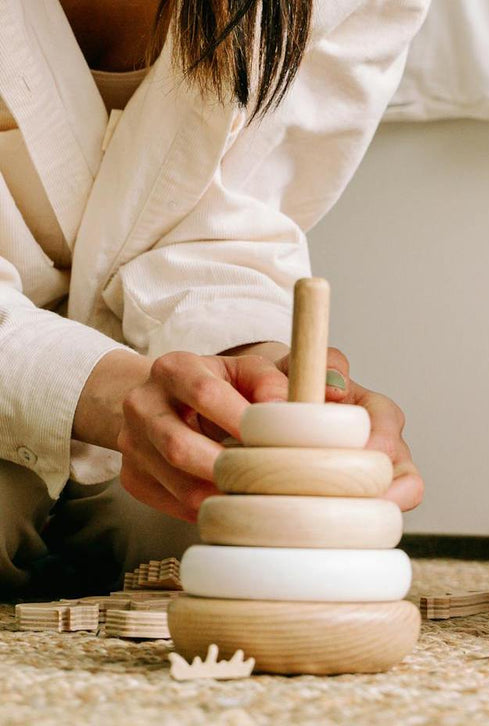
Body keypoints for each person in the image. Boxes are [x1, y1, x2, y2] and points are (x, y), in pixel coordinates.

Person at [0, 0, 429, 597]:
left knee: (214, 521)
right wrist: (103, 391)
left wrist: (252, 375)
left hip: (140, 361)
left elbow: (220, 223)